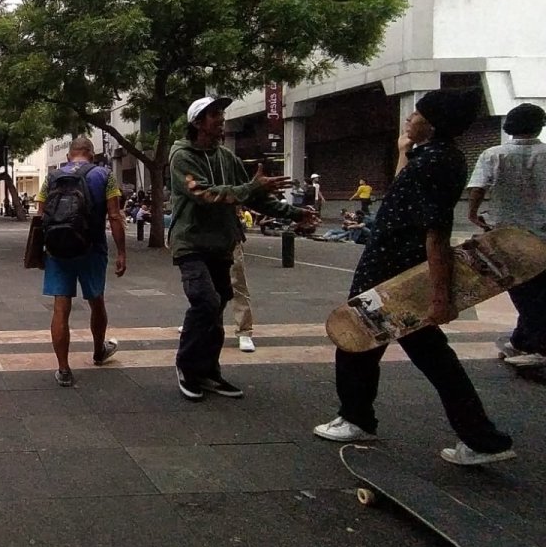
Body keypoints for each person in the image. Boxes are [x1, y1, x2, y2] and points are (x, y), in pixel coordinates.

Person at [313, 88, 515, 466]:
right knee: (383, 347)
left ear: (433, 124)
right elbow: (402, 193)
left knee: (363, 339)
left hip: (397, 277)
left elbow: (436, 232)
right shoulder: (434, 157)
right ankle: (476, 436)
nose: (409, 118)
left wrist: (441, 297)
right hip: (389, 270)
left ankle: (479, 438)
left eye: (416, 114)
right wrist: (403, 148)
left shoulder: (438, 163)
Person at [169, 96, 316, 401]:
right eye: (214, 115)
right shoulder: (182, 156)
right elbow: (204, 194)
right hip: (191, 244)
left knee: (219, 301)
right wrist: (253, 187)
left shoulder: (227, 158)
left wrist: (295, 213)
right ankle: (186, 365)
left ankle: (208, 371)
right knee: (205, 301)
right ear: (197, 122)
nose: (221, 119)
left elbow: (254, 198)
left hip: (222, 244)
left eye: (222, 113)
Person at [36, 137, 127, 387]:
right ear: (91, 153)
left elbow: (40, 214)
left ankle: (64, 369)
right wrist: (121, 252)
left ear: (69, 155)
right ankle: (99, 351)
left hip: (57, 250)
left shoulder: (53, 177)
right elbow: (115, 216)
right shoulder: (104, 174)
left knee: (60, 308)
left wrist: (39, 250)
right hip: (92, 248)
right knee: (96, 301)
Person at [467, 103, 546, 367]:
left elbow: (478, 186)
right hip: (543, 233)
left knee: (521, 289)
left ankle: (537, 344)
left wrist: (473, 213)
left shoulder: (493, 154)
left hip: (508, 234)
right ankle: (522, 340)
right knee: (538, 289)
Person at [231, 208, 255, 353]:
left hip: (229, 235)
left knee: (237, 284)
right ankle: (198, 323)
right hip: (200, 237)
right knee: (202, 284)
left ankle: (244, 331)